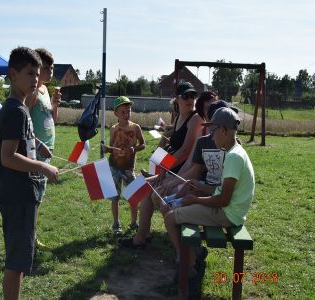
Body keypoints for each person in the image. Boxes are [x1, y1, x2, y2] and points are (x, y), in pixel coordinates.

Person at [0, 46, 59, 300]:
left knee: (20, 259)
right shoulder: (16, 110)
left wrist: (37, 144)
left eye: (37, 74)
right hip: (17, 194)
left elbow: (20, 141)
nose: (35, 79)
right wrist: (42, 166)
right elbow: (7, 156)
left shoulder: (20, 107)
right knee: (17, 263)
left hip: (19, 192)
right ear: (13, 74)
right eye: (30, 74)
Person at [164, 107, 255, 286]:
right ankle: (191, 259)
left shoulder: (233, 158)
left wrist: (195, 199)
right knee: (177, 208)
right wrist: (201, 187)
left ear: (224, 130)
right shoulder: (234, 153)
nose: (211, 136)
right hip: (229, 211)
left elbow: (223, 200)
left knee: (169, 217)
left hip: (227, 214)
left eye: (213, 131)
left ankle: (188, 268)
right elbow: (222, 192)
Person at [120, 82, 202, 247]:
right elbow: (171, 137)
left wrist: (163, 167)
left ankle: (144, 237)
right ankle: (142, 235)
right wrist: (164, 138)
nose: (190, 99)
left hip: (183, 176)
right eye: (186, 96)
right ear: (177, 99)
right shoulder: (180, 117)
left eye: (193, 95)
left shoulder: (196, 118)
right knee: (141, 187)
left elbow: (186, 150)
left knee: (148, 190)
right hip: (172, 172)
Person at [25, 48, 61, 251]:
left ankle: (32, 237)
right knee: (34, 198)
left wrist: (54, 105)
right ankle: (30, 240)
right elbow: (25, 126)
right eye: (47, 68)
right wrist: (39, 144)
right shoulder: (31, 93)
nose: (51, 71)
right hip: (36, 152)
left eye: (52, 67)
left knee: (38, 197)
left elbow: (51, 120)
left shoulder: (45, 91)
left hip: (48, 151)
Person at [102, 96, 145, 236]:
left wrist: (134, 149)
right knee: (115, 197)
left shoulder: (136, 127)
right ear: (116, 114)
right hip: (114, 167)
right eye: (123, 112)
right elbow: (111, 146)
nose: (126, 114)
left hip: (128, 169)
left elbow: (143, 145)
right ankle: (116, 223)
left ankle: (134, 222)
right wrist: (107, 149)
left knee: (133, 196)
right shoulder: (113, 129)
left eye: (129, 111)